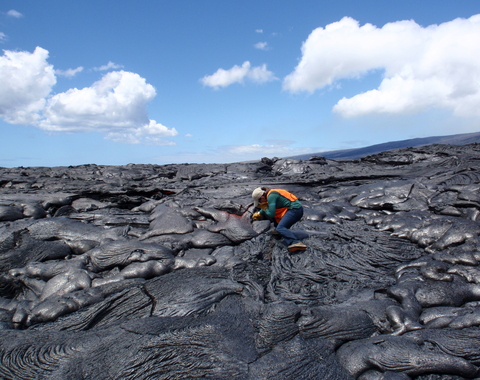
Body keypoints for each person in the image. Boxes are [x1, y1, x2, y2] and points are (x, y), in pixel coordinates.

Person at [251, 187, 307, 252]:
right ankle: (279, 231)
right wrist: (259, 213)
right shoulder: (269, 195)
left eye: (259, 201)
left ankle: (296, 242)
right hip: (291, 210)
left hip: (295, 210)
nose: (259, 203)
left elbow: (271, 213)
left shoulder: (271, 196)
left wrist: (264, 208)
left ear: (262, 197)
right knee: (278, 224)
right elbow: (269, 207)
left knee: (280, 228)